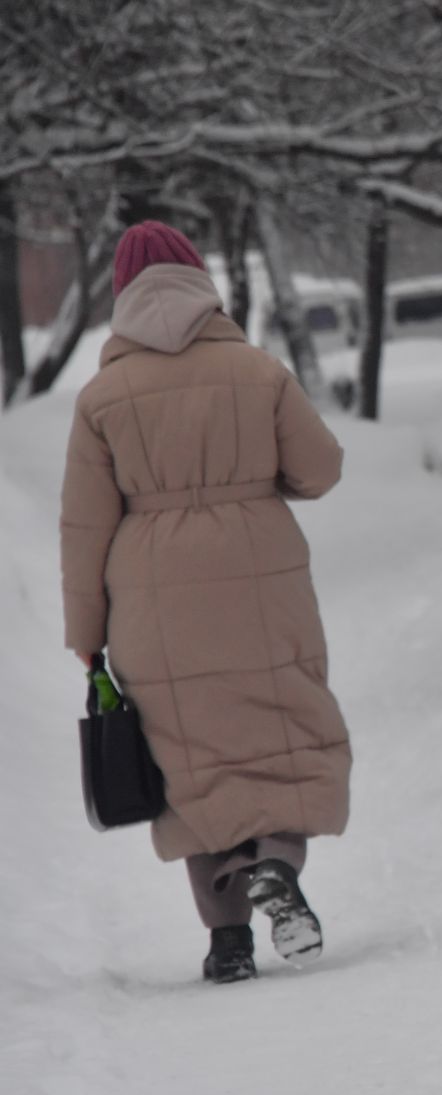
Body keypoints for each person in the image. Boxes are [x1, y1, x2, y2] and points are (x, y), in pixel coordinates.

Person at [60, 221, 352, 983]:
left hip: (150, 595)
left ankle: (228, 945)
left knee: (189, 764)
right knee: (282, 734)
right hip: (263, 576)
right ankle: (277, 868)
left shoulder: (102, 396)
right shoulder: (257, 371)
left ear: (121, 293)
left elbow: (85, 526)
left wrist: (86, 635)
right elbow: (319, 470)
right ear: (201, 281)